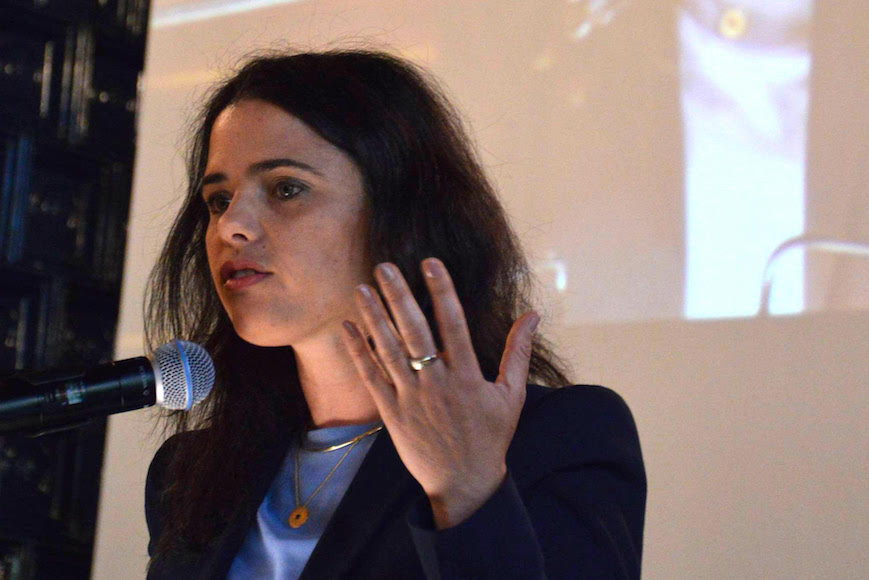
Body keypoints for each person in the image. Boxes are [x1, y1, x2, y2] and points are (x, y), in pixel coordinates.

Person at [144, 49, 646, 579]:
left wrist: (468, 492)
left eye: (286, 189)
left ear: (399, 213)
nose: (230, 227)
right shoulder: (188, 474)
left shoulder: (558, 440)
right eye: (219, 200)